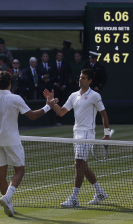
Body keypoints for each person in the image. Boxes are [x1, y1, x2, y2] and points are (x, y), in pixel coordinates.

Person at [0, 70, 54, 217]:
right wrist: (48, 106)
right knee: (20, 171)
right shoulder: (16, 98)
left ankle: (9, 204)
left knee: (2, 174)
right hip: (12, 140)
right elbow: (32, 116)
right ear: (10, 83)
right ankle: (7, 198)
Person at [43, 69, 111, 207]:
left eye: (84, 78)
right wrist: (51, 103)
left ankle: (74, 197)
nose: (80, 79)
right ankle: (100, 192)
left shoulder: (95, 96)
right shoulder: (73, 95)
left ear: (90, 81)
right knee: (82, 164)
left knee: (79, 163)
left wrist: (107, 134)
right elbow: (61, 112)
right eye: (80, 77)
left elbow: (103, 114)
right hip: (76, 133)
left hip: (87, 133)